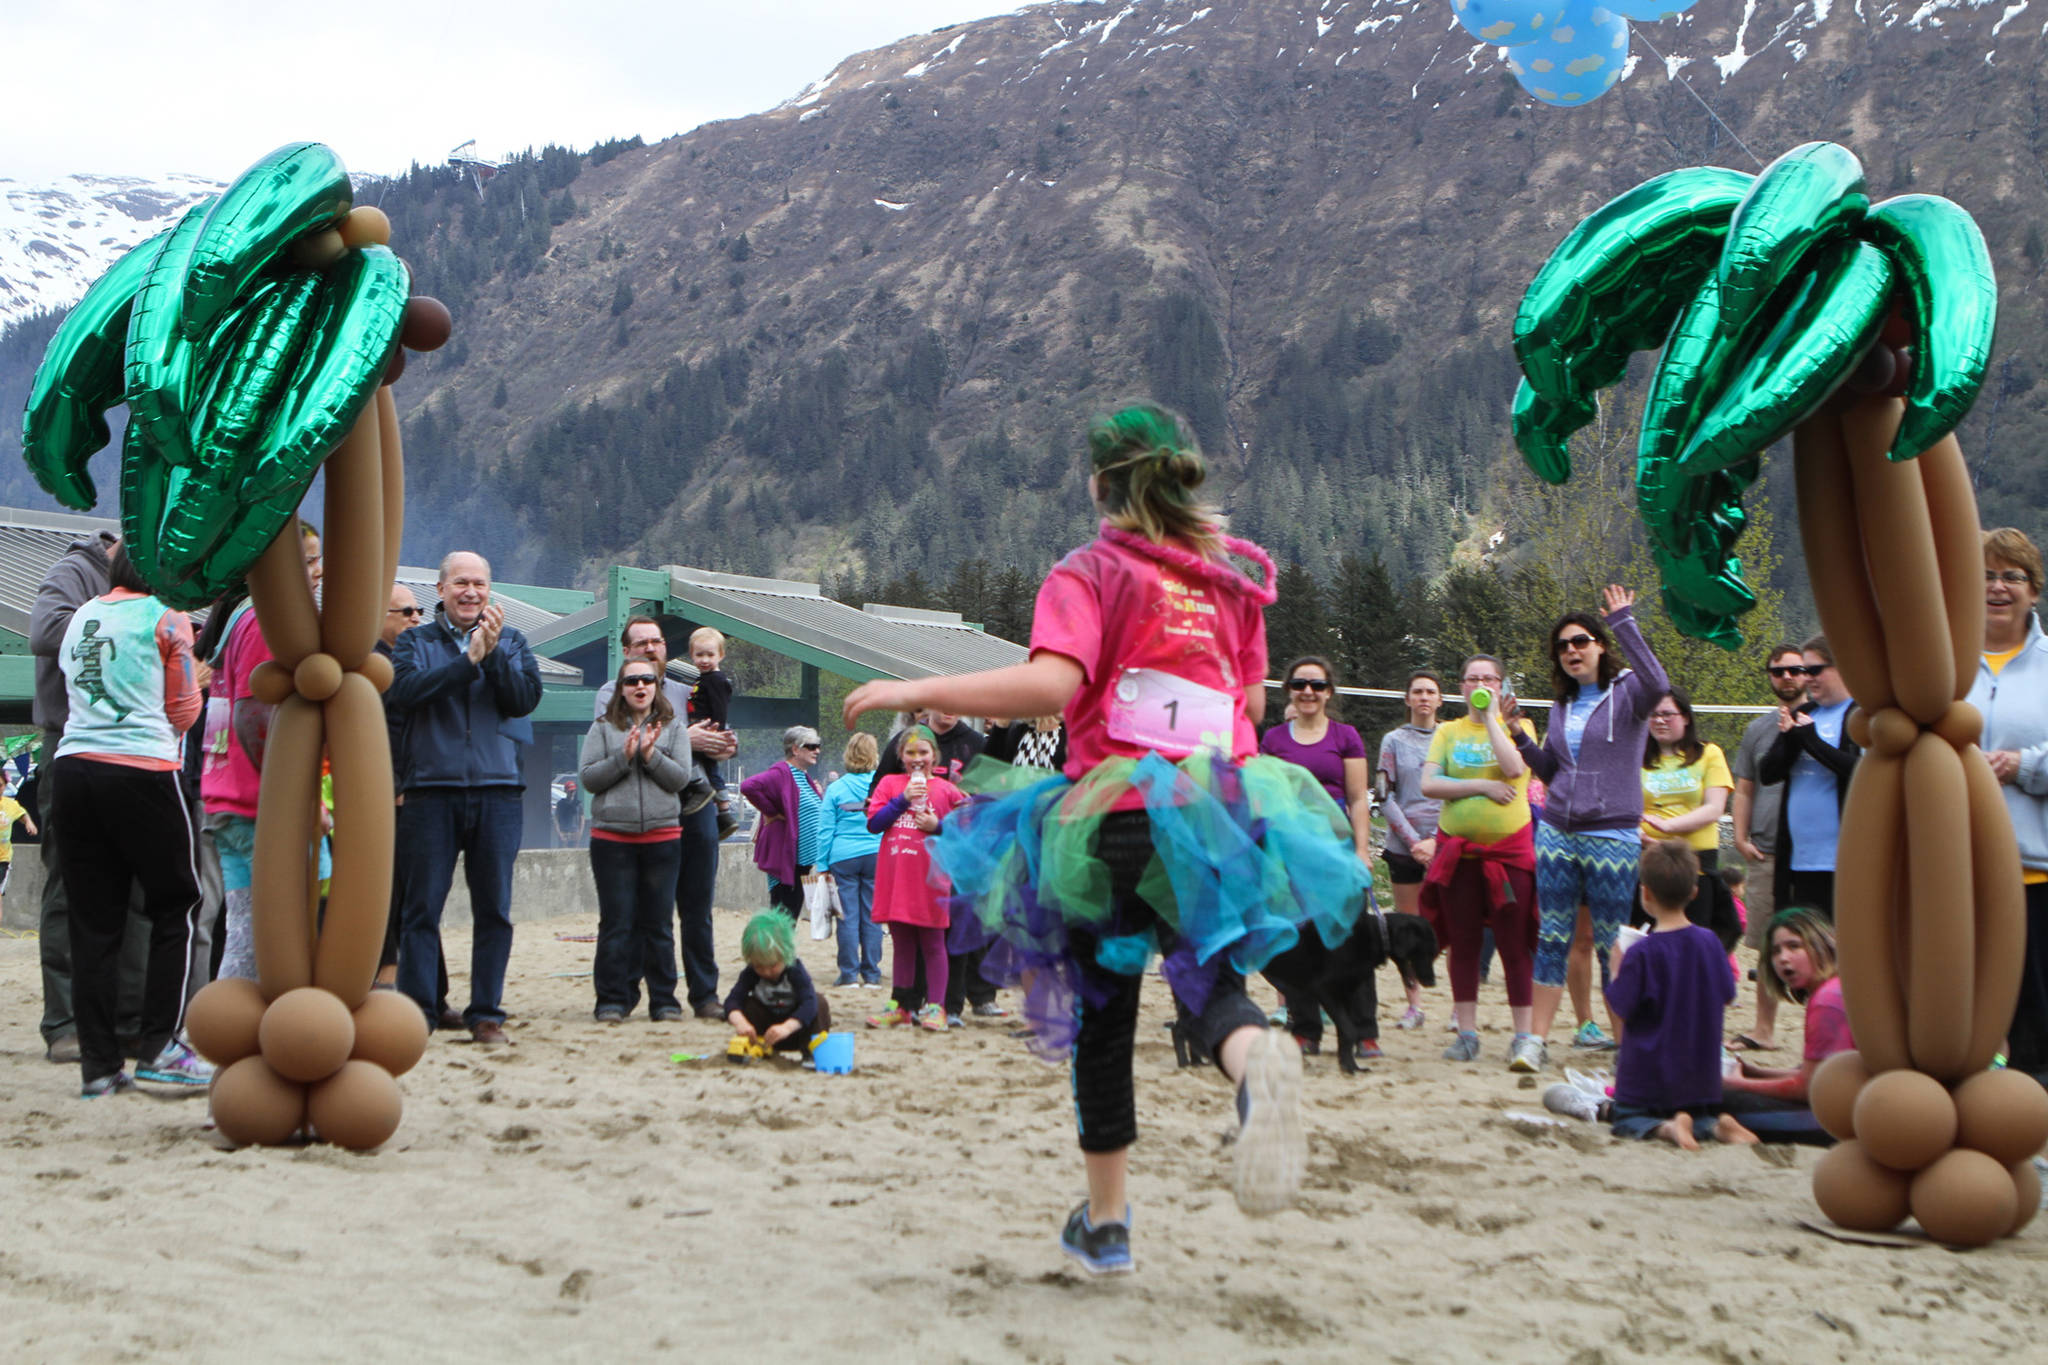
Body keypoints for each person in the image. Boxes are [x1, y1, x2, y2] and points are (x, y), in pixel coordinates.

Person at [844, 402, 1367, 1272]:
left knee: (1104, 1016)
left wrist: (923, 687)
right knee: (1209, 982)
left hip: (1112, 816)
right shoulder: (1231, 583)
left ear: (1100, 484)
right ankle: (1253, 1059)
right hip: (1214, 812)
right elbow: (1252, 708)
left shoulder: (1090, 570)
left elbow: (1053, 682)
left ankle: (1109, 1221)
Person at [52, 543, 212, 1096]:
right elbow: (184, 710)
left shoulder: (83, 616)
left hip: (73, 768)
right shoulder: (167, 618)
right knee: (177, 902)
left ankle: (98, 1067)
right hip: (143, 767)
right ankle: (160, 1045)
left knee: (94, 924)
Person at [388, 551, 544, 1045]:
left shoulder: (513, 641)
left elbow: (523, 699)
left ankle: (485, 1015)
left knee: (494, 909)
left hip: (498, 792)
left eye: (479, 583)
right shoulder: (414, 641)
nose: (470, 592)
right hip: (430, 792)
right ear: (440, 590)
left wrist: (492, 654)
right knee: (421, 909)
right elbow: (405, 692)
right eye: (460, 583)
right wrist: (466, 661)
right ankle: (418, 1013)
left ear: (490, 591)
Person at [1516, 586, 1670, 1068]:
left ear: (1601, 645)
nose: (1571, 651)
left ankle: (1627, 1047)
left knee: (1610, 941)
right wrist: (1520, 738)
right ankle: (1534, 1042)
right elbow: (1553, 772)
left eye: (1581, 641)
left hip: (1612, 835)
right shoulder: (1561, 707)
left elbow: (1659, 682)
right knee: (1553, 935)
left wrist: (1624, 620)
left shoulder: (1629, 694)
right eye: (1562, 646)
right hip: (1557, 832)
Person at [30, 524, 145, 1066]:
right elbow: (44, 631)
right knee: (72, 888)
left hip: (135, 751)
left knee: (139, 891)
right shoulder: (74, 570)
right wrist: (126, 621)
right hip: (71, 747)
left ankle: (127, 1020)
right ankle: (65, 1022)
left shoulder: (159, 586)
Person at [592, 616, 734, 1020]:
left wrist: (725, 743)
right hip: (648, 809)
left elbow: (717, 734)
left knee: (697, 906)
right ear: (626, 652)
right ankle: (629, 995)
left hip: (696, 802)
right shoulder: (611, 694)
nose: (651, 649)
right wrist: (684, 740)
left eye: (657, 642)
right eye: (642, 643)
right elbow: (615, 743)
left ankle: (705, 995)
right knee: (639, 911)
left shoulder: (689, 687)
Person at [1259, 655, 1388, 1057]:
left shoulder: (1345, 736)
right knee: (1296, 940)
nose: (1308, 692)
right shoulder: (1274, 741)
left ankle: (1364, 1031)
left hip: (1336, 853)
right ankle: (1306, 1027)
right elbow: (1266, 801)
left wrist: (1362, 851)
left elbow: (1356, 799)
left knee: (1350, 939)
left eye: (1316, 685)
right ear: (1289, 691)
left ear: (1329, 692)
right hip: (1290, 854)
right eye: (1299, 685)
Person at [1420, 657, 1540, 1068]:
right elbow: (1429, 783)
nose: (1479, 684)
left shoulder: (1519, 728)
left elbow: (1514, 767)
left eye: (1488, 678)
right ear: (1461, 685)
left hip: (1510, 853)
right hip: (1459, 852)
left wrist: (1494, 719)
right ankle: (1467, 1033)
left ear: (1501, 684)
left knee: (1515, 942)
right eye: (1472, 678)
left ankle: (1524, 1036)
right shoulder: (1448, 731)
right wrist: (1482, 787)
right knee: (1463, 941)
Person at [580, 659, 712, 1023]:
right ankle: (612, 999)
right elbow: (589, 779)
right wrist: (623, 757)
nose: (640, 686)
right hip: (611, 838)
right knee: (616, 922)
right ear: (620, 688)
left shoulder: (674, 729)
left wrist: (651, 756)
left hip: (662, 836)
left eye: (647, 680)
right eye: (631, 680)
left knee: (658, 924)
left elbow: (680, 780)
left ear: (657, 686)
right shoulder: (602, 728)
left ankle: (664, 1000)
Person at [1596, 841, 1751, 1148]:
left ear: (1646, 894)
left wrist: (1616, 969)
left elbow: (1621, 1005)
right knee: (1700, 1117)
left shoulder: (1642, 952)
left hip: (1649, 1078)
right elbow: (1727, 995)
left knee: (1627, 1118)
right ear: (1694, 892)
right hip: (1699, 1079)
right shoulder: (1709, 942)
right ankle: (1717, 1126)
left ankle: (1668, 1129)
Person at [1966, 528, 2048, 1085]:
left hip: (2033, 873)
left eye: (2011, 576)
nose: (1998, 587)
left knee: (2032, 1018)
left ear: (2034, 592)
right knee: (1960, 1009)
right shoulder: (1943, 661)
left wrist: (2026, 765)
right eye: (1987, 575)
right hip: (1955, 871)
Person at [371, 582, 450, 1013]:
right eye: (405, 612)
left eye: (419, 610)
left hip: (416, 791)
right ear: (378, 616)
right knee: (398, 895)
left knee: (420, 896)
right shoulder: (372, 666)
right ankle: (392, 979)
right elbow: (380, 738)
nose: (416, 618)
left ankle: (431, 993)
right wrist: (396, 787)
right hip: (391, 797)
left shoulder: (411, 660)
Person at [1728, 644, 1810, 1049]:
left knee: (1821, 945)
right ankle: (1764, 1031)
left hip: (1815, 855)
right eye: (1778, 672)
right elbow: (1744, 789)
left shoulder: (1827, 721)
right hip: (1765, 853)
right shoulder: (1757, 730)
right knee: (1764, 946)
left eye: (1795, 670)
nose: (1787, 678)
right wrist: (1740, 838)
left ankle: (1822, 1033)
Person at [1718, 908, 1854, 1143]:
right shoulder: (1836, 987)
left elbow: (1808, 1088)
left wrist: (1737, 1083)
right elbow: (1820, 1074)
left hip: (1840, 1123)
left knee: (1720, 1096)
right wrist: (1756, 1072)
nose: (1783, 958)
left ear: (1821, 944)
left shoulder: (1827, 1001)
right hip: (1851, 1106)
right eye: (1775, 951)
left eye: (1794, 946)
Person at [863, 725, 965, 1033]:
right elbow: (874, 824)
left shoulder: (947, 790)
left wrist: (938, 826)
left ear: (935, 756)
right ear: (900, 756)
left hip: (932, 880)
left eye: (923, 752)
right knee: (902, 944)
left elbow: (965, 831)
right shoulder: (890, 783)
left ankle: (936, 1007)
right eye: (910, 752)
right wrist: (902, 800)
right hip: (896, 879)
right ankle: (902, 1006)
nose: (917, 758)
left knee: (934, 944)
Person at [1756, 635, 1859, 917]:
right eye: (1804, 672)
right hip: (1799, 860)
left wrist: (1810, 740)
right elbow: (1767, 773)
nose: (1807, 679)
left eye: (1814, 670)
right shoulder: (1803, 712)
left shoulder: (1860, 714)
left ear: (1842, 667)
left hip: (1845, 861)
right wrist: (1790, 741)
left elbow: (1860, 772)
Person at [1638, 687, 1742, 950]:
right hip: (1648, 862)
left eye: (1667, 714)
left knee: (1695, 944)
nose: (1660, 720)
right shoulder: (1636, 757)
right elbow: (1623, 806)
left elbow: (1714, 808)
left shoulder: (1709, 753)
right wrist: (1638, 834)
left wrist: (1668, 827)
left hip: (1696, 865)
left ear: (1685, 717)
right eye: (1654, 714)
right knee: (1649, 942)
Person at [1375, 669, 1443, 1030]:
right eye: (1417, 691)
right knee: (1407, 928)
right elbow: (1384, 796)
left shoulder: (1450, 737)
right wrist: (1415, 842)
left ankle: (1456, 1008)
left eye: (1430, 691)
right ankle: (1414, 1004)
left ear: (1440, 699)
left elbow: (1458, 791)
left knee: (1448, 926)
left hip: (1446, 842)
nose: (1423, 697)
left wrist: (1437, 839)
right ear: (1407, 699)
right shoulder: (1393, 741)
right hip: (1405, 846)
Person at [741, 726, 826, 922]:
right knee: (785, 909)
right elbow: (748, 786)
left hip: (802, 861)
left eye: (818, 746)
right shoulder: (781, 773)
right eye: (811, 746)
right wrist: (772, 812)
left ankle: (783, 951)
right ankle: (777, 951)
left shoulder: (803, 776)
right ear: (795, 749)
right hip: (787, 857)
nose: (817, 751)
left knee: (792, 908)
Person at [820, 733, 884, 987]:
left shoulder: (836, 788)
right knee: (872, 915)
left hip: (842, 857)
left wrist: (822, 864)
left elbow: (825, 830)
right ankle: (871, 974)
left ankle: (848, 974)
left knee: (846, 916)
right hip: (876, 854)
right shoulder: (882, 786)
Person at [723, 911, 831, 1053]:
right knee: (748, 1004)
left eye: (773, 965)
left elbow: (809, 1003)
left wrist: (787, 1027)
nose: (766, 972)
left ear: (785, 955)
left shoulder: (794, 970)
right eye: (759, 966)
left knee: (818, 1002)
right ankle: (759, 1047)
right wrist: (740, 1022)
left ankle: (811, 1052)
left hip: (796, 1031)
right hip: (767, 1034)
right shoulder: (751, 973)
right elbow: (732, 1001)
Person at [686, 626, 741, 839]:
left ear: (721, 655)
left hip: (708, 726)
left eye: (710, 655)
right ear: (692, 655)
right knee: (706, 766)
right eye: (700, 655)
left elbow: (720, 708)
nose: (705, 659)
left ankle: (722, 806)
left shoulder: (716, 680)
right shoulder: (702, 679)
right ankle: (722, 810)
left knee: (708, 766)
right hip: (700, 725)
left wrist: (715, 730)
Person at [0, 778, 37, 927]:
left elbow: (22, 813)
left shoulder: (10, 805)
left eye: (1, 785)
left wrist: (29, 823)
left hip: (2, 858)